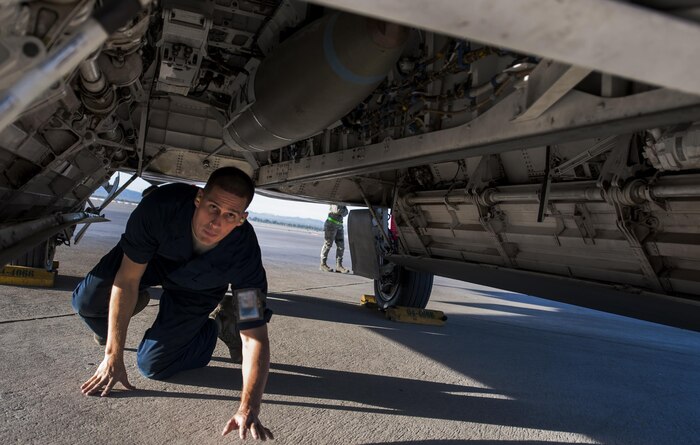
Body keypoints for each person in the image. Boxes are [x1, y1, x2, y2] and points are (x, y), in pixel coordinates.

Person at [72, 166, 273, 441]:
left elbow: (253, 336)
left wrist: (248, 407)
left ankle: (211, 331)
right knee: (87, 300)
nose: (216, 222)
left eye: (230, 215)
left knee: (153, 365)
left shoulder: (245, 254)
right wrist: (112, 357)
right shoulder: (160, 207)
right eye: (213, 207)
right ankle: (126, 312)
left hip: (198, 289)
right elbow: (127, 279)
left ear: (242, 219)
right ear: (198, 198)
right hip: (150, 262)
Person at [320, 204, 350, 273]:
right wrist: (344, 211)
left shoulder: (342, 202)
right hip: (331, 224)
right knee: (328, 244)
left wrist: (344, 211)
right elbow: (337, 211)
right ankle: (323, 264)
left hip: (339, 225)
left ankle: (339, 266)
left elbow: (345, 212)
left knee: (341, 246)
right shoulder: (335, 200)